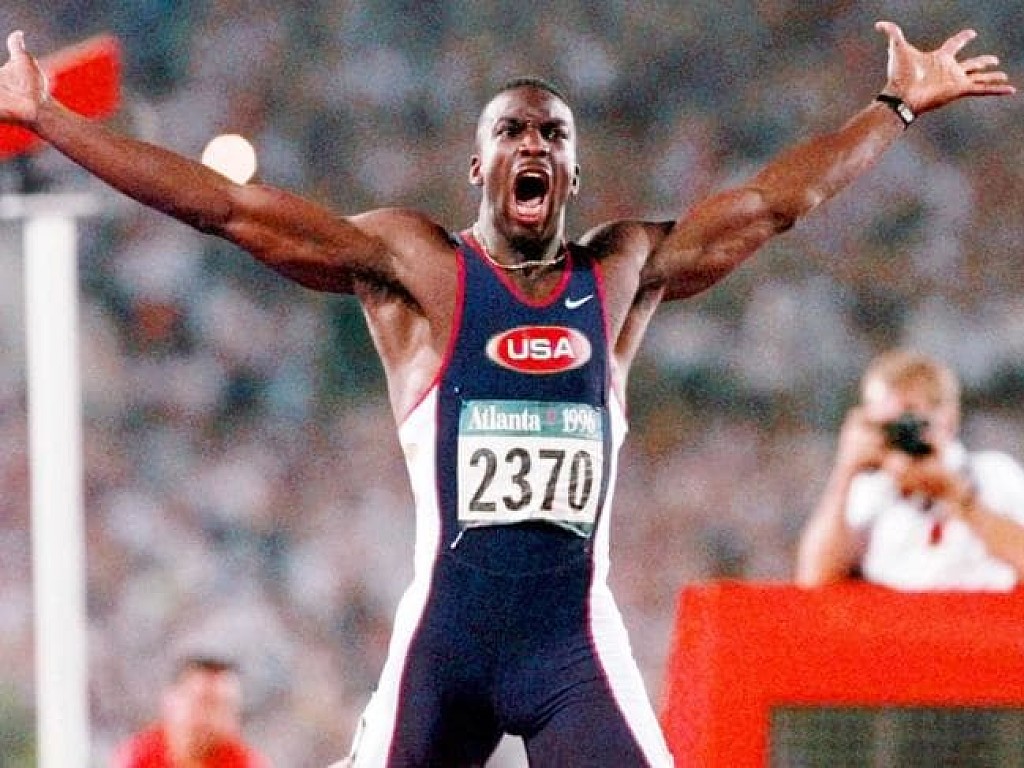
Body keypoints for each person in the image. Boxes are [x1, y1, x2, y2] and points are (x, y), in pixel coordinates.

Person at [0, 20, 1014, 768]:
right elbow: (226, 207)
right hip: (444, 643)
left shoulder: (620, 273)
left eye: (553, 136)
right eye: (514, 131)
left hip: (570, 646)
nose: (534, 145)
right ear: (477, 164)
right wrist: (51, 119)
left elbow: (773, 204)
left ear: (571, 173)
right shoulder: (418, 270)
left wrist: (892, 108)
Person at [796, 349, 1024, 591]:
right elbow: (815, 578)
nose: (901, 434)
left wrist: (959, 497)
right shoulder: (870, 489)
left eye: (909, 419)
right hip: (892, 611)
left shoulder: (994, 474)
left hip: (982, 608)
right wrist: (845, 471)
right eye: (887, 425)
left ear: (948, 416)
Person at [110, 654, 270, 768]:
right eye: (203, 702)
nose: (212, 718)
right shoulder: (138, 757)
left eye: (225, 707)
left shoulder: (246, 763)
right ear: (170, 702)